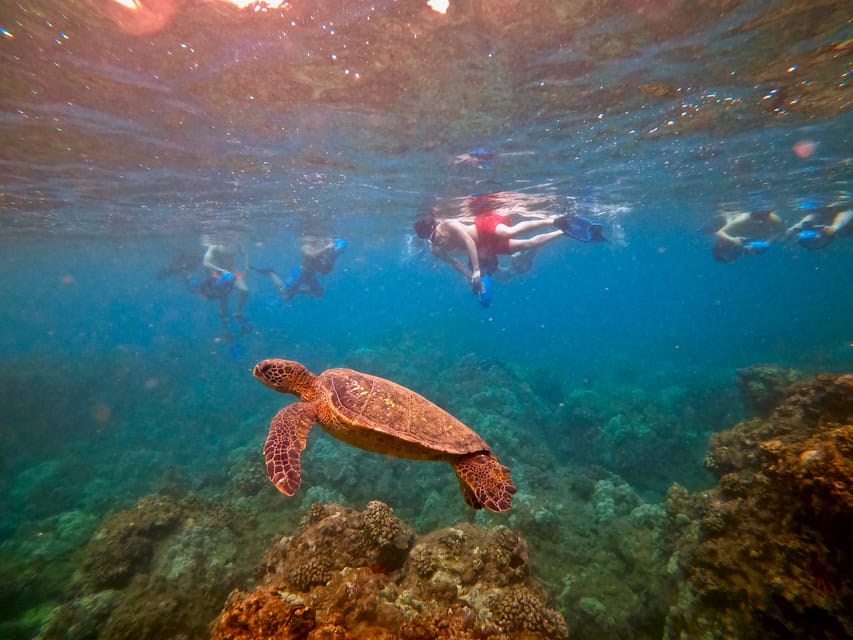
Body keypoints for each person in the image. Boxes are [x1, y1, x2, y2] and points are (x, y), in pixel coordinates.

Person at [414, 192, 604, 307]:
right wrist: (471, 278)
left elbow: (469, 242)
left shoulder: (449, 224)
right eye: (430, 238)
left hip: (483, 228)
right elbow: (455, 264)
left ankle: (554, 220)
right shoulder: (435, 249)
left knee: (509, 232)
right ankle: (563, 232)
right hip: (485, 246)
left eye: (434, 232)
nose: (436, 237)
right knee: (527, 244)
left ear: (434, 225)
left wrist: (478, 271)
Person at [254, 236, 347, 303]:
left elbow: (323, 271)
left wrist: (331, 260)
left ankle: (296, 291)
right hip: (301, 273)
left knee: (319, 294)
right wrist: (327, 248)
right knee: (284, 292)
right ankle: (271, 273)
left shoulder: (321, 248)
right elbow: (311, 256)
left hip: (311, 275)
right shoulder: (306, 247)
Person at [201, 232, 251, 337]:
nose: (227, 236)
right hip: (220, 276)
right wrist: (220, 270)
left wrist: (246, 268)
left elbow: (244, 253)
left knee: (245, 291)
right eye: (224, 234)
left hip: (233, 273)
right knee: (224, 298)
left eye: (230, 234)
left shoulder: (236, 244)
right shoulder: (214, 246)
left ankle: (237, 312)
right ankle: (224, 321)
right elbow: (205, 262)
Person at [706, 209, 784, 263]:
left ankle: (737, 253)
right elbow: (719, 232)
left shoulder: (774, 219)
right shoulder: (741, 220)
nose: (760, 224)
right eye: (757, 222)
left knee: (749, 249)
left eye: (763, 222)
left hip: (747, 237)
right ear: (751, 218)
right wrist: (732, 239)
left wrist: (767, 243)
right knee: (720, 251)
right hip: (735, 233)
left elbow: (780, 232)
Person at [785, 206, 852, 250]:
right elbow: (849, 211)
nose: (813, 234)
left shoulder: (810, 219)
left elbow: (812, 216)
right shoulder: (843, 230)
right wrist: (835, 227)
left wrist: (793, 229)